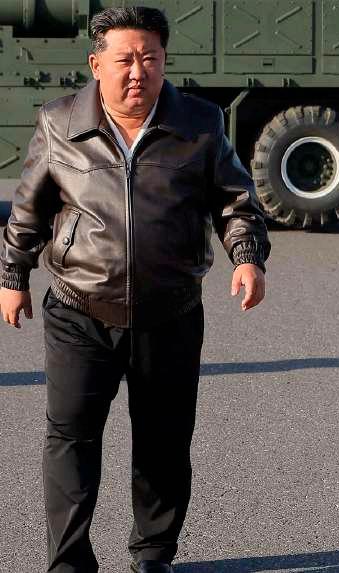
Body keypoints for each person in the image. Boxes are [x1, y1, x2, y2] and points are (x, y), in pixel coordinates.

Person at [0, 7, 270, 573]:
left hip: (170, 312)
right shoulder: (59, 121)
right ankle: (69, 562)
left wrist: (246, 257)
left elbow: (235, 200)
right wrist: (12, 276)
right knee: (71, 439)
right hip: (78, 309)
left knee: (163, 441)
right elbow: (28, 209)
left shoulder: (199, 123)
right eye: (124, 59)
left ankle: (153, 553)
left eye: (150, 58)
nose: (137, 71)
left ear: (164, 61)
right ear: (96, 63)